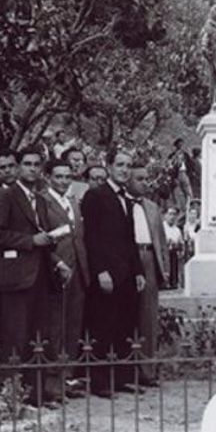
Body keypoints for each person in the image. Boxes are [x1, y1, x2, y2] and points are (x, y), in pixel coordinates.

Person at [0, 149, 71, 404]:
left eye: (36, 164)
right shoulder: (6, 196)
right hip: (16, 278)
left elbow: (43, 237)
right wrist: (29, 241)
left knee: (39, 338)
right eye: (27, 164)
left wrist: (53, 251)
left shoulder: (42, 201)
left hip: (41, 277)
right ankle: (11, 396)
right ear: (19, 167)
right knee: (15, 337)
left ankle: (37, 394)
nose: (32, 169)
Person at [81, 149, 145, 397]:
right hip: (107, 274)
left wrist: (138, 271)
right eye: (119, 164)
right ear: (108, 166)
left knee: (125, 326)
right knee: (103, 326)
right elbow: (91, 238)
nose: (124, 170)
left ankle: (123, 378)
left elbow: (130, 240)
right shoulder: (95, 196)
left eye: (128, 165)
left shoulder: (125, 199)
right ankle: (100, 382)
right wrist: (101, 271)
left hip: (127, 273)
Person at [42, 159, 90, 396]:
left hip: (78, 271)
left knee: (73, 325)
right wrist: (57, 263)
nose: (63, 181)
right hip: (57, 271)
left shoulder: (73, 203)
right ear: (49, 177)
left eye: (67, 176)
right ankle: (53, 382)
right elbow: (41, 239)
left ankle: (68, 377)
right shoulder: (43, 202)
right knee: (55, 326)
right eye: (58, 176)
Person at [127, 162, 168, 387]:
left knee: (148, 316)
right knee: (127, 313)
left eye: (146, 178)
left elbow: (160, 239)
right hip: (128, 258)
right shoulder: (122, 204)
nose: (144, 183)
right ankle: (127, 369)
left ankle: (147, 370)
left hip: (149, 258)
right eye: (139, 179)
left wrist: (164, 269)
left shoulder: (152, 207)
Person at [162, 207, 184, 289]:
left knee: (174, 274)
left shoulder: (177, 230)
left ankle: (173, 284)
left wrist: (177, 245)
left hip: (173, 254)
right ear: (165, 215)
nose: (172, 216)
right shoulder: (161, 227)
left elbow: (180, 243)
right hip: (163, 255)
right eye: (170, 214)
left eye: (174, 214)